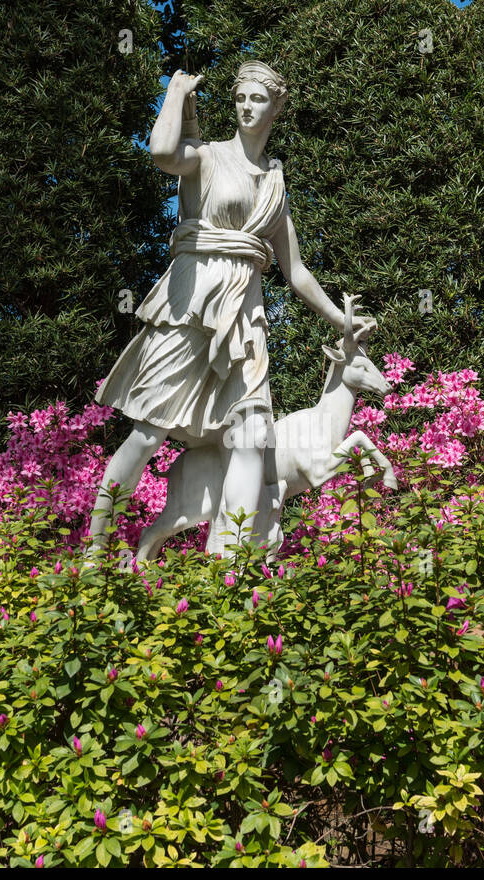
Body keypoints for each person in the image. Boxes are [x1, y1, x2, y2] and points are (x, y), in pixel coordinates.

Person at [87, 60, 376, 556]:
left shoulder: (274, 184)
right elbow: (159, 151)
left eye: (257, 98)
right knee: (148, 433)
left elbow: (297, 271)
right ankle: (96, 544)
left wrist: (340, 318)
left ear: (276, 106)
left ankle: (233, 565)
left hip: (245, 318)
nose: (246, 106)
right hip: (189, 305)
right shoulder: (206, 155)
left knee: (250, 437)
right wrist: (175, 94)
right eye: (240, 97)